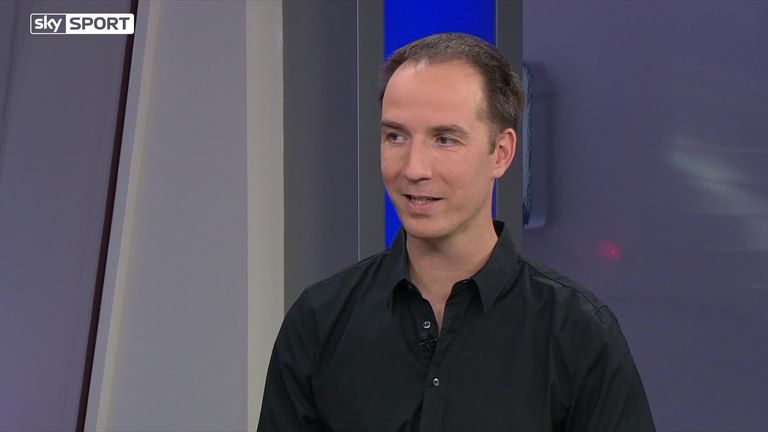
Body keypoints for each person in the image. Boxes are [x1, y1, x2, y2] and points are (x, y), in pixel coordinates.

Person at [257, 32, 655, 432]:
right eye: (396, 136)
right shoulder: (319, 322)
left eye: (445, 139)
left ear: (501, 153)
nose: (414, 168)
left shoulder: (578, 332)